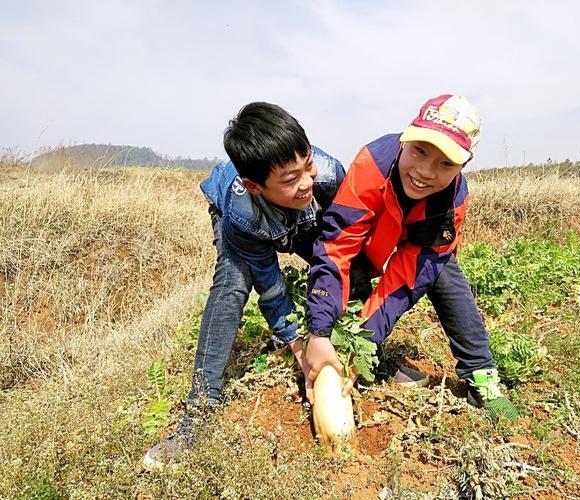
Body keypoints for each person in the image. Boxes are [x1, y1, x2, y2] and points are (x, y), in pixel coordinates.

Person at [143, 101, 346, 470]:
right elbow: (270, 286)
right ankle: (198, 415)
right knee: (233, 285)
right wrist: (298, 348)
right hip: (247, 222)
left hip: (292, 216)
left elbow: (340, 247)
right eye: (290, 177)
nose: (305, 182)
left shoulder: (327, 175)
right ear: (254, 185)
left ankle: (364, 348)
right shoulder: (243, 215)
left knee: (342, 263)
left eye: (307, 166)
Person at [304, 94, 518, 421]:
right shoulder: (373, 164)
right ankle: (341, 343)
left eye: (446, 163)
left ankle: (481, 375)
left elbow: (408, 278)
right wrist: (319, 331)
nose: (425, 171)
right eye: (420, 150)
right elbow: (338, 247)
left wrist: (369, 337)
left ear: (463, 166)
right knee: (348, 278)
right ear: (405, 139)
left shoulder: (450, 203)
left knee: (444, 274)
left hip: (416, 236)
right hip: (370, 235)